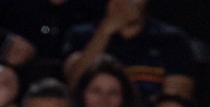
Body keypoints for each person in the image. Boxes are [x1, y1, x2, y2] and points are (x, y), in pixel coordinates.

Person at [62, 0, 196, 100]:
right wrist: (106, 30)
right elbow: (75, 85)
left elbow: (176, 103)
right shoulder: (81, 36)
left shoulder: (172, 40)